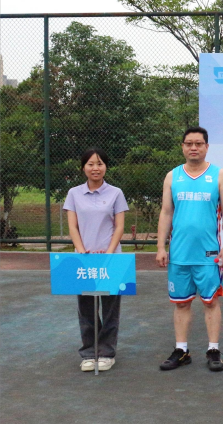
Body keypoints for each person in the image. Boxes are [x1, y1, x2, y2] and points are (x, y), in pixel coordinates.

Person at [156, 126, 223, 372]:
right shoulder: (172, 176)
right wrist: (160, 247)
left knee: (211, 302)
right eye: (189, 143)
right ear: (182, 147)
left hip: (209, 254)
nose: (193, 148)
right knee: (181, 303)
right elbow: (166, 212)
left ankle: (213, 349)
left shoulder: (219, 175)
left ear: (206, 147)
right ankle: (181, 350)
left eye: (198, 144)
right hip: (179, 254)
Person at [64, 147, 129, 372]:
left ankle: (107, 353)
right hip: (84, 260)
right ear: (83, 167)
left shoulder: (116, 193)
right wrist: (81, 250)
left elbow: (119, 226)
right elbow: (73, 226)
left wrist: (109, 252)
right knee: (86, 309)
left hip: (111, 260)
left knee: (110, 309)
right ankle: (89, 353)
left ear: (106, 167)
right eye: (90, 164)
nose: (95, 168)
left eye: (100, 164)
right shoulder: (74, 193)